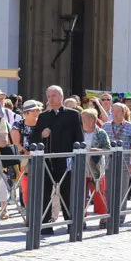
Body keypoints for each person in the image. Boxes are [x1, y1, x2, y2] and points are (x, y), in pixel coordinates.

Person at [30, 85, 84, 235]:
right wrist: (42, 135)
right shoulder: (43, 116)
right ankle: (46, 225)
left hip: (66, 160)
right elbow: (33, 139)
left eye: (54, 96)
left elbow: (79, 138)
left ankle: (72, 224)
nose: (50, 99)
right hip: (47, 161)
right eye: (48, 96)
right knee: (44, 193)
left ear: (61, 97)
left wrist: (76, 158)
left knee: (68, 193)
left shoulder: (72, 115)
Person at [102, 103, 131, 202]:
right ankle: (110, 214)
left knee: (122, 191)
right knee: (108, 190)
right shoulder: (105, 126)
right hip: (108, 164)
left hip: (124, 164)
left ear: (123, 113)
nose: (115, 114)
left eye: (118, 111)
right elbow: (99, 144)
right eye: (113, 111)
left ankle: (120, 216)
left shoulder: (129, 126)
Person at [81, 108, 111, 229]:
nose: (81, 121)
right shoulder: (78, 132)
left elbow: (108, 149)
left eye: (83, 119)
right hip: (81, 166)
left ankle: (103, 217)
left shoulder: (101, 133)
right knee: (81, 193)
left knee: (98, 192)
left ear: (92, 120)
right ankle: (81, 217)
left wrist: (98, 151)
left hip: (96, 166)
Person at [11, 100, 41, 211]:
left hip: (41, 157)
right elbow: (17, 143)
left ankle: (38, 211)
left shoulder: (41, 123)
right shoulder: (18, 124)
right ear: (26, 112)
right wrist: (25, 151)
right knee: (26, 185)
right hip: (25, 157)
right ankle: (28, 210)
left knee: (40, 185)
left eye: (38, 110)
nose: (37, 112)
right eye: (34, 110)